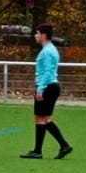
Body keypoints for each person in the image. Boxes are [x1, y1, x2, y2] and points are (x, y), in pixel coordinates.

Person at [21, 23, 72, 159]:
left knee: (41, 118)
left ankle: (39, 151)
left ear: (43, 35)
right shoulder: (50, 49)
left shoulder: (47, 51)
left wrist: (40, 89)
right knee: (43, 118)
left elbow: (48, 72)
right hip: (49, 86)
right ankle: (63, 146)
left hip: (48, 87)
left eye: (37, 33)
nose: (35, 36)